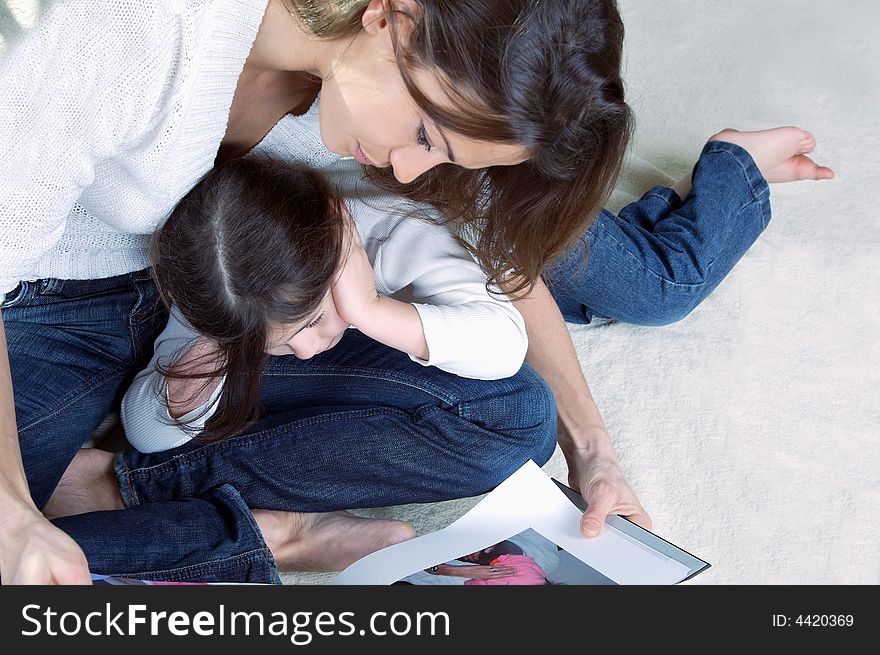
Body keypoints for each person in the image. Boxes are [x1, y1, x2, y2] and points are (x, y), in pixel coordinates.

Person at [0, 0, 832, 584]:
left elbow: (497, 261)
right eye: (426, 132)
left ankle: (736, 165)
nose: (408, 165)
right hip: (68, 291)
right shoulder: (138, 26)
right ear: (390, 13)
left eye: (444, 152)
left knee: (652, 287)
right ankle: (271, 531)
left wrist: (596, 455)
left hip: (322, 267)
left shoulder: (401, 151)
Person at [119, 154, 529, 453]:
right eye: (279, 342)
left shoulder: (400, 231)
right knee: (524, 412)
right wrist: (224, 333)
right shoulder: (228, 281)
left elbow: (505, 346)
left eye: (312, 320)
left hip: (489, 214)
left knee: (581, 264)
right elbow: (147, 431)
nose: (306, 351)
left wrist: (367, 309)